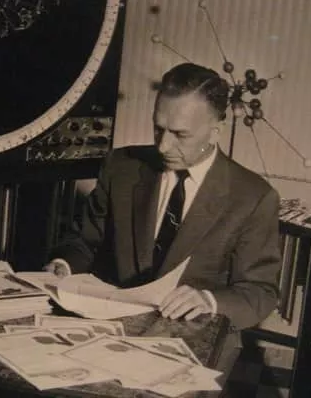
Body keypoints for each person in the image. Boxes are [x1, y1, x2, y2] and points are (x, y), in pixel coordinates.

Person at [45, 62, 281, 332]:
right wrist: (63, 265)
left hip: (192, 334)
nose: (163, 146)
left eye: (180, 134)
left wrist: (209, 301)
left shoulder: (253, 197)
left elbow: (261, 292)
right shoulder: (121, 166)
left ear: (216, 130)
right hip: (110, 325)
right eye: (158, 129)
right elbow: (86, 241)